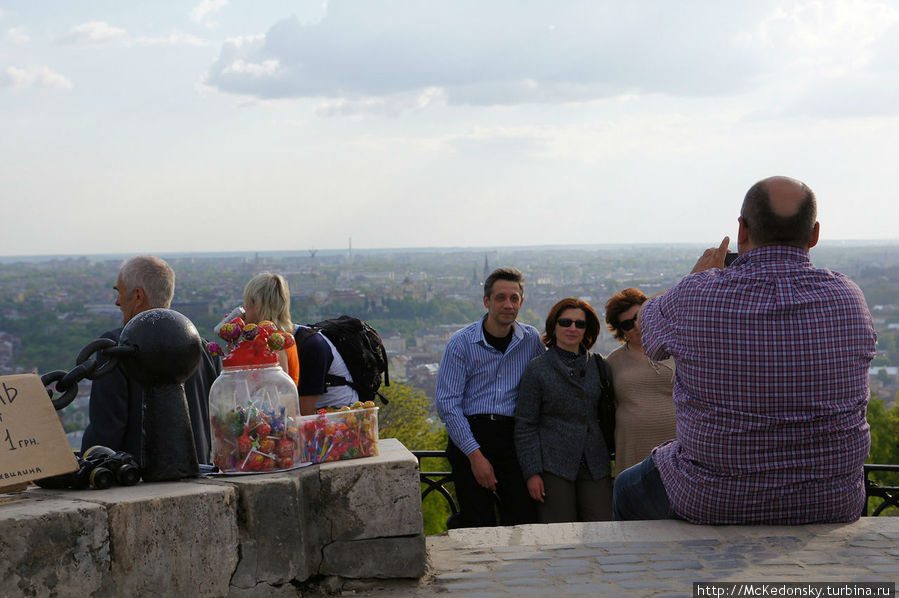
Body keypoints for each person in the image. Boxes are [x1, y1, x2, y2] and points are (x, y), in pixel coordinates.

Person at [612, 176, 877, 525]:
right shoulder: (848, 297)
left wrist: (695, 277)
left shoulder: (698, 294)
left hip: (712, 498)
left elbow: (649, 332)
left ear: (742, 231)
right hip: (830, 499)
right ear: (814, 235)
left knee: (626, 488)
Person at [81, 255, 221, 465]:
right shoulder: (205, 348)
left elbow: (106, 433)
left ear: (138, 296)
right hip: (200, 475)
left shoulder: (116, 347)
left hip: (141, 484)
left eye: (119, 292)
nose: (117, 301)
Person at [435, 267, 545, 528]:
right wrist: (475, 456)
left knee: (522, 520)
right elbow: (448, 405)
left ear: (521, 301)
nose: (508, 305)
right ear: (486, 301)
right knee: (478, 523)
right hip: (471, 435)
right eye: (500, 298)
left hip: (513, 437)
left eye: (514, 298)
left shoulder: (531, 340)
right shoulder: (461, 343)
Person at [514, 298, 613, 523]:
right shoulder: (537, 369)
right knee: (558, 533)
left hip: (595, 463)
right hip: (553, 465)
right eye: (566, 322)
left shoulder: (600, 366)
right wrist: (532, 472)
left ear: (588, 330)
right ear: (554, 325)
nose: (572, 328)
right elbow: (525, 425)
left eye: (579, 324)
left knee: (602, 528)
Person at [604, 288, 675, 473]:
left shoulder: (676, 348)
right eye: (627, 324)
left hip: (678, 444)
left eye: (639, 317)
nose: (635, 326)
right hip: (633, 446)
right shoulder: (613, 361)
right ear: (621, 331)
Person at [242, 272, 299, 385]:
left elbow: (279, 388)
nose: (244, 308)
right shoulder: (276, 338)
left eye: (247, 303)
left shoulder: (276, 342)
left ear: (258, 306)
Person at [293, 323, 359, 415]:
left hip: (340, 414)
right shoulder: (300, 337)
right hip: (321, 411)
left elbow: (305, 410)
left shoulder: (312, 344)